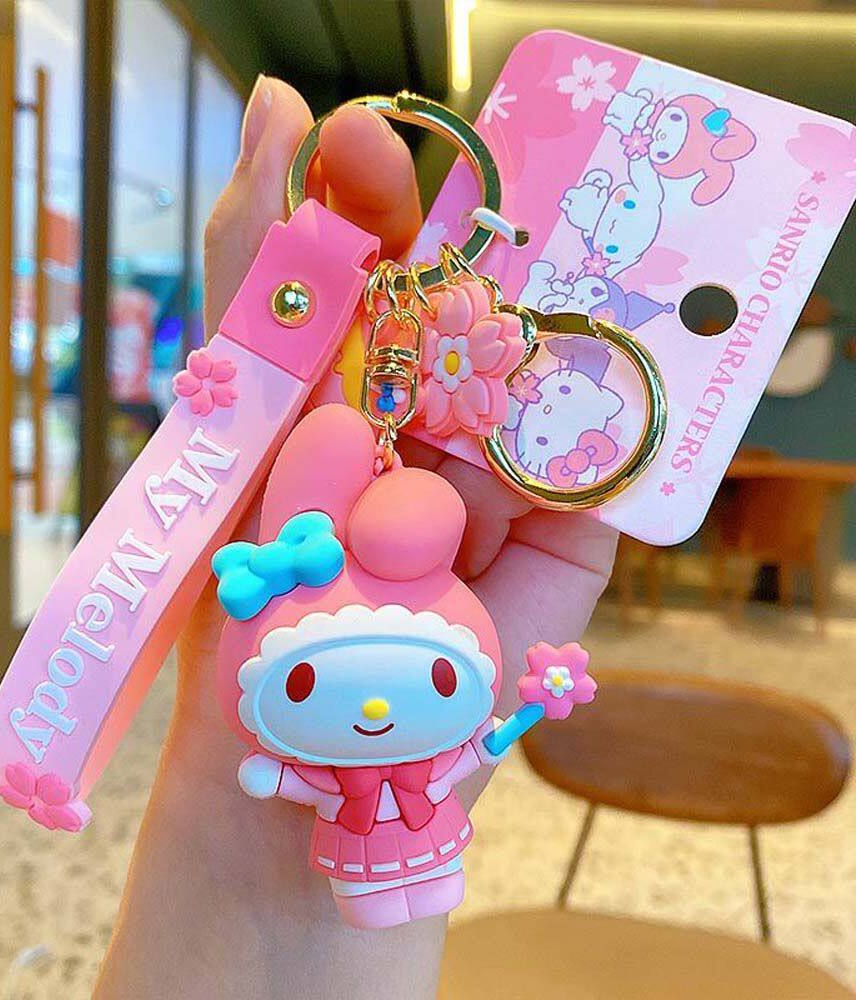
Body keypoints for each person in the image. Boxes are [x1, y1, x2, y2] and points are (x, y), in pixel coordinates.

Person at [93, 76, 616, 1000]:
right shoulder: (347, 719)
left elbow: (470, 743)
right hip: (341, 843)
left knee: (415, 883)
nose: (375, 714)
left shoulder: (350, 740)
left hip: (403, 839)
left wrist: (533, 703)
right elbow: (464, 743)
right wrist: (241, 809)